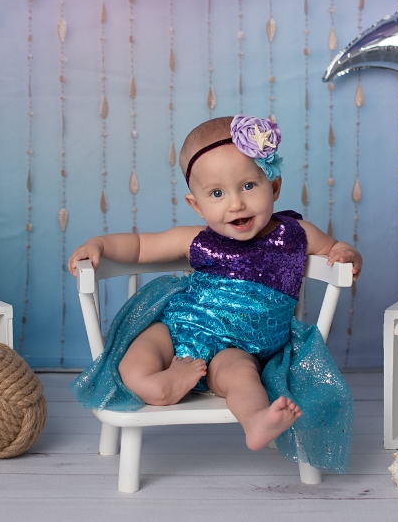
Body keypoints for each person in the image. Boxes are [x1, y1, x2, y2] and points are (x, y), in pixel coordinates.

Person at [68, 115, 361, 472]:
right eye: (217, 194)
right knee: (137, 355)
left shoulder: (296, 234)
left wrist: (346, 254)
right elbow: (141, 246)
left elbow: (336, 248)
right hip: (180, 327)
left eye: (249, 186)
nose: (235, 204)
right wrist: (98, 244)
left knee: (242, 377)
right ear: (197, 204)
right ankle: (155, 385)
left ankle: (256, 421)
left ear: (275, 184)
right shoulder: (197, 239)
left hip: (242, 348)